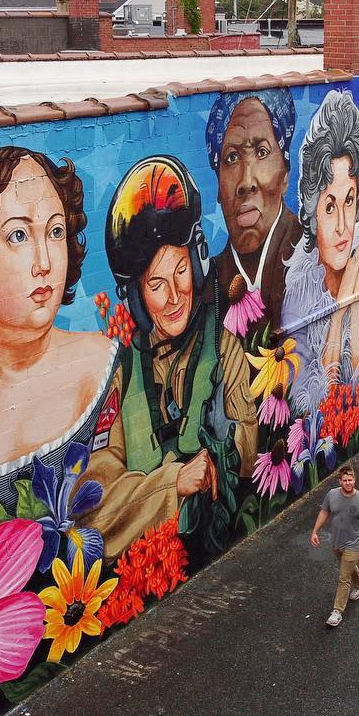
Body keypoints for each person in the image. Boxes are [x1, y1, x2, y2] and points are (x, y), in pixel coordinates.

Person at [0, 146, 208, 559]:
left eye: (55, 232)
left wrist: (169, 485)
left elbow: (117, 488)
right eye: (18, 236)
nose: (44, 262)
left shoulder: (112, 368)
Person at [103, 155, 259, 561]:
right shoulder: (123, 374)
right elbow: (98, 497)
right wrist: (172, 482)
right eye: (156, 283)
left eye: (180, 272)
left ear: (197, 262)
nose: (173, 297)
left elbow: (247, 454)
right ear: (136, 297)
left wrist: (218, 457)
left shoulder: (224, 349)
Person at [283, 89, 359, 416]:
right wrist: (339, 308)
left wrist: (353, 299)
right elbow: (311, 401)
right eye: (330, 207)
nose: (343, 225)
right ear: (312, 211)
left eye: (349, 201)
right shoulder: (299, 291)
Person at [205, 91, 302, 339]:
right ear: (218, 184)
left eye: (261, 152)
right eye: (232, 157)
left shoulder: (311, 259)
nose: (246, 182)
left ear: (285, 174)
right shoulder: (207, 286)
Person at [310, 466, 359, 627]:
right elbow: (324, 512)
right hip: (336, 542)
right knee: (347, 567)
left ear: (354, 480)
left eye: (351, 480)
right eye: (345, 480)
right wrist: (315, 531)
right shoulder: (332, 495)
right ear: (340, 481)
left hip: (353, 544)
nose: (348, 483)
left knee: (344, 577)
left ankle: (337, 612)